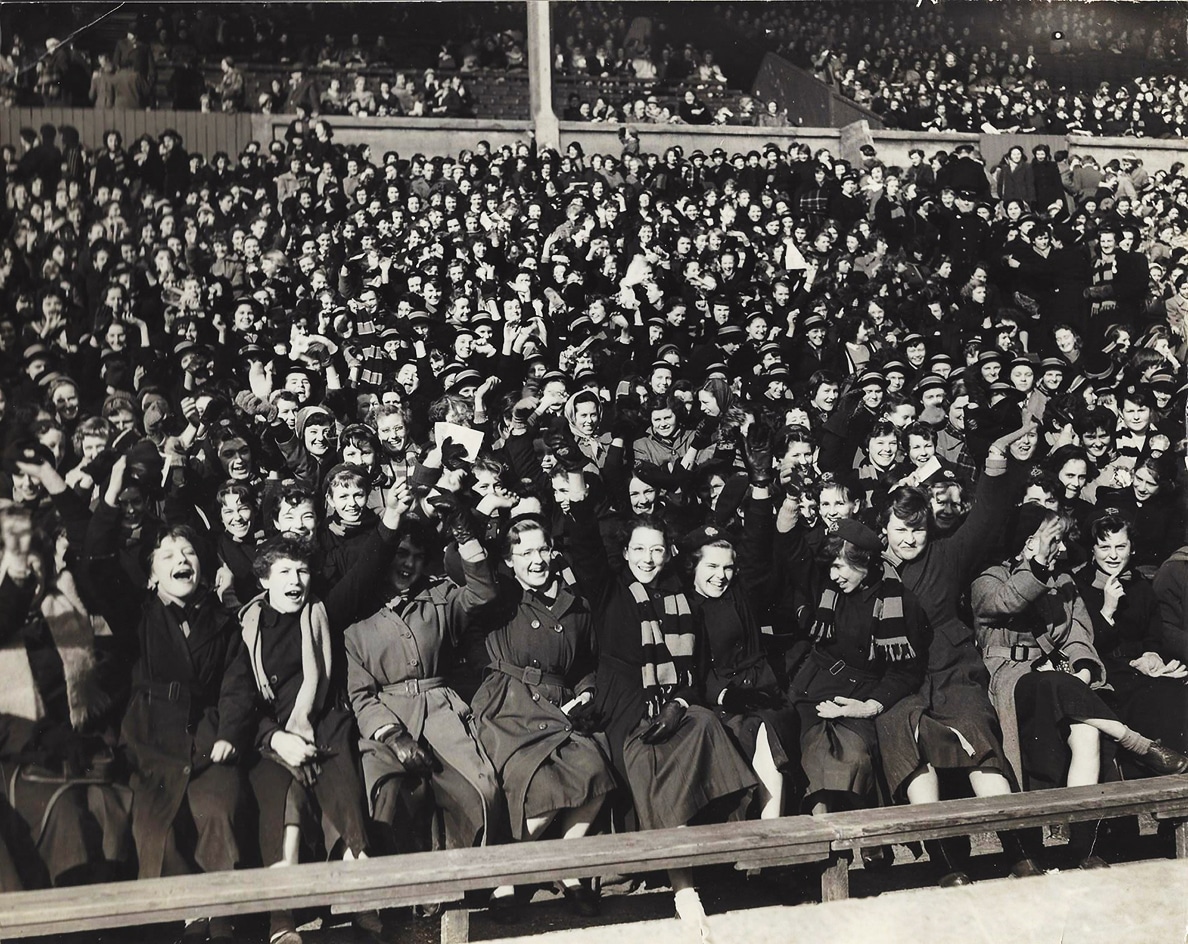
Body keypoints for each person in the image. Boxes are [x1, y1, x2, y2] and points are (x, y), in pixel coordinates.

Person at [563, 455, 756, 941]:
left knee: (707, 725)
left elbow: (697, 671)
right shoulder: (609, 591)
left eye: (657, 550)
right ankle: (682, 887)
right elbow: (584, 549)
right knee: (648, 762)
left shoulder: (681, 598)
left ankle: (710, 859)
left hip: (671, 705)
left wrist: (682, 703)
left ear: (668, 553)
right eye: (639, 550)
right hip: (623, 708)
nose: (648, 559)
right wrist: (580, 500)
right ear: (626, 552)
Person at [972, 504, 1188, 866]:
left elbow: (1078, 637)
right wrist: (1037, 566)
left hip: (1062, 684)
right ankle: (1135, 741)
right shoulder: (989, 579)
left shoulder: (1063, 582)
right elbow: (1005, 602)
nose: (1058, 549)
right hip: (1013, 678)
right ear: (1027, 542)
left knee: (1086, 733)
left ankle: (1084, 850)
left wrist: (1085, 672)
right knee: (1058, 683)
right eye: (1050, 541)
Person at [470, 516, 615, 916]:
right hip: (509, 705)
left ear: (553, 552)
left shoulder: (575, 604)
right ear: (510, 560)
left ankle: (565, 864)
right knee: (539, 781)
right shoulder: (500, 598)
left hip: (559, 704)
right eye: (525, 553)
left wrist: (586, 692)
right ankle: (507, 875)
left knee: (595, 768)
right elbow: (474, 568)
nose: (536, 561)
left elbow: (587, 664)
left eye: (542, 550)